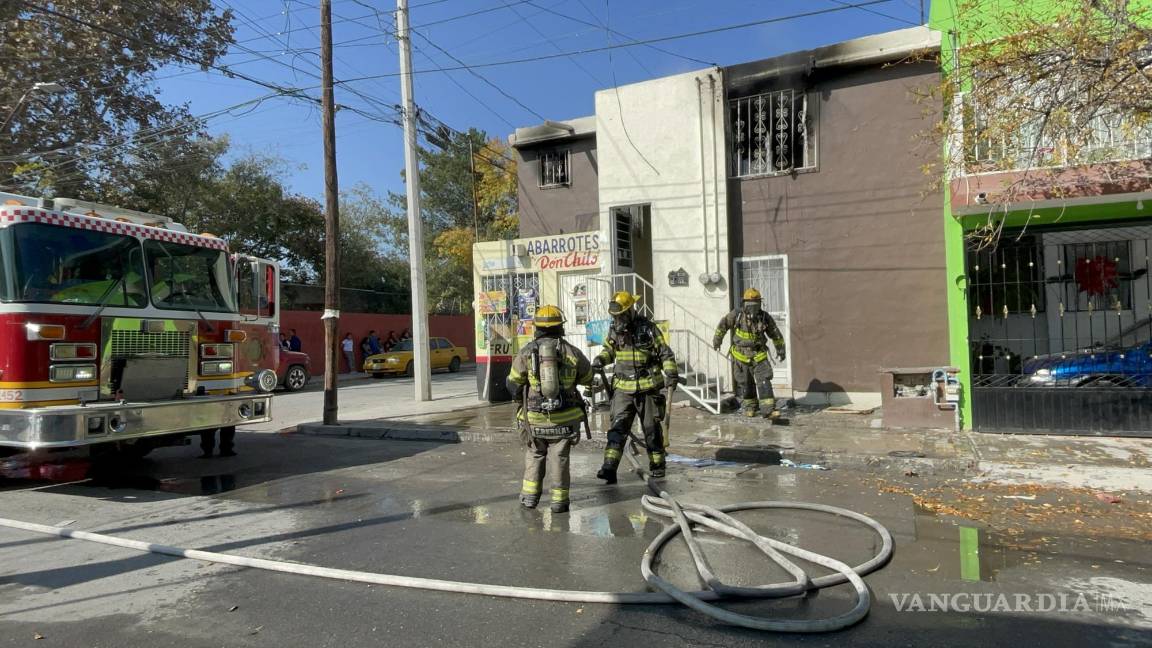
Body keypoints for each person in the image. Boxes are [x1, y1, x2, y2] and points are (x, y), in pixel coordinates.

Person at [507, 305, 594, 513]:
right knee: (560, 458)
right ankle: (559, 501)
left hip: (534, 420)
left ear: (537, 327)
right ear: (559, 327)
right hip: (564, 420)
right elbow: (588, 377)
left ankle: (529, 497)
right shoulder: (572, 352)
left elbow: (513, 384)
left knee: (535, 454)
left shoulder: (526, 352)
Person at [591, 292, 679, 483]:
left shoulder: (648, 329)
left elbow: (665, 353)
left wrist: (671, 373)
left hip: (647, 388)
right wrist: (600, 359)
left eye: (621, 315)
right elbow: (609, 351)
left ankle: (657, 466)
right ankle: (609, 468)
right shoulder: (614, 330)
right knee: (618, 428)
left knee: (651, 428)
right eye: (615, 316)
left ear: (630, 310)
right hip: (623, 390)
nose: (618, 319)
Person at [713, 288, 786, 418]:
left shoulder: (764, 317)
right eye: (750, 304)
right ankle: (750, 407)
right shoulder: (736, 315)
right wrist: (717, 340)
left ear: (760, 303)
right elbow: (722, 326)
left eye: (756, 303)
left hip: (759, 355)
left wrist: (781, 350)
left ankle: (768, 410)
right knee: (745, 383)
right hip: (740, 356)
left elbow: (775, 334)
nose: (753, 307)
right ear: (744, 303)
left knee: (764, 381)